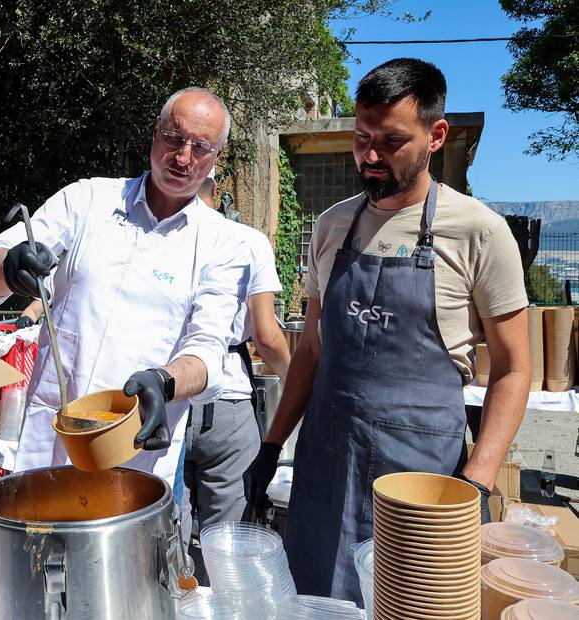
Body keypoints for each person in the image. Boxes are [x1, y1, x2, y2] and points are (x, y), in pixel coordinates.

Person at [243, 58, 530, 603]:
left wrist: (477, 479)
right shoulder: (331, 226)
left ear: (436, 136)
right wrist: (271, 444)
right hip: (326, 463)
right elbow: (311, 350)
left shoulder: (480, 232)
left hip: (422, 480)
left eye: (392, 141)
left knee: (409, 605)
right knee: (316, 602)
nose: (370, 157)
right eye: (361, 138)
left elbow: (516, 368)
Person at [0, 87, 249, 484]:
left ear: (217, 156)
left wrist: (163, 382)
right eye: (175, 138)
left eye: (201, 147)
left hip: (134, 451)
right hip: (49, 444)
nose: (183, 157)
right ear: (155, 132)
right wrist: (11, 268)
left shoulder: (226, 242)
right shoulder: (88, 200)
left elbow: (208, 354)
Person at [181, 174, 292, 550]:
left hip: (165, 398)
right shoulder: (248, 241)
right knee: (228, 544)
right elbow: (266, 335)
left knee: (162, 541)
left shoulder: (157, 238)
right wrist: (297, 382)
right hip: (227, 404)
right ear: (216, 192)